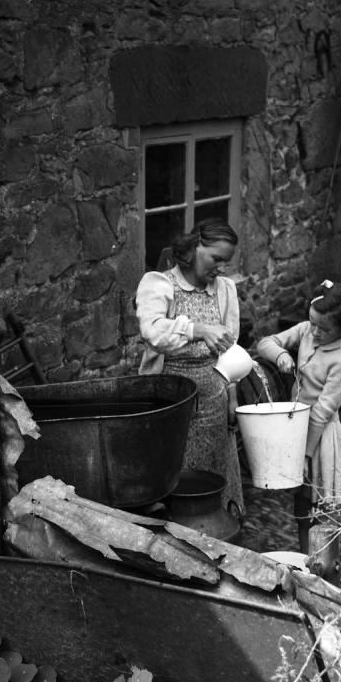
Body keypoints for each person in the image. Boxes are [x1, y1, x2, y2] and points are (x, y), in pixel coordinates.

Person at [135, 217, 245, 524]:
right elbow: (153, 331)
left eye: (226, 262)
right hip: (170, 399)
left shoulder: (224, 290)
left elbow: (230, 348)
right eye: (216, 259)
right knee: (172, 469)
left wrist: (232, 397)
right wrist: (198, 329)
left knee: (212, 468)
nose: (220, 268)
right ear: (195, 247)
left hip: (214, 395)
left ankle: (214, 529)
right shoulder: (158, 283)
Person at [255, 279, 341, 552]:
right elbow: (266, 343)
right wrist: (281, 356)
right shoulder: (306, 331)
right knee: (302, 506)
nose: (315, 331)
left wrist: (305, 454)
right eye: (312, 322)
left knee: (321, 509)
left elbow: (322, 413)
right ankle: (307, 563)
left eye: (324, 328)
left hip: (320, 437)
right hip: (298, 429)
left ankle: (323, 568)